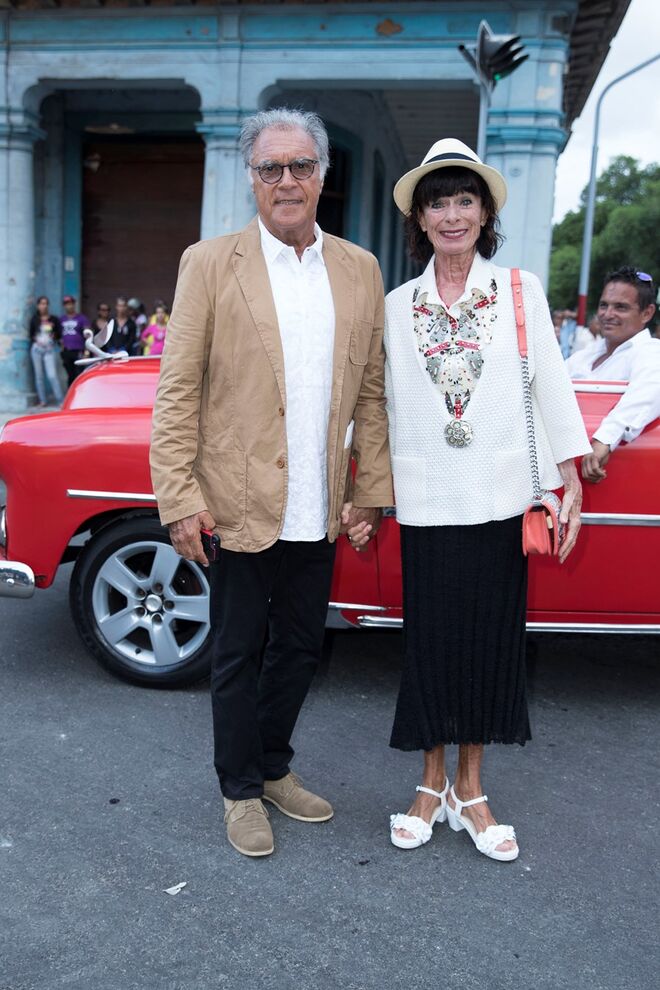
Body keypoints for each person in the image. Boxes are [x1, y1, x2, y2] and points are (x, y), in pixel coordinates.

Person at [150, 108, 393, 858]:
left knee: (299, 649)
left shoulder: (359, 268)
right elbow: (176, 390)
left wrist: (369, 490)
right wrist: (179, 495)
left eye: (301, 166)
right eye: (270, 168)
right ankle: (239, 790)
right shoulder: (209, 262)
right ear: (251, 179)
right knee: (236, 651)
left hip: (318, 504)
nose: (287, 181)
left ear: (323, 174)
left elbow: (372, 393)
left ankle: (274, 765)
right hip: (237, 499)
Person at [381, 139, 590, 862]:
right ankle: (428, 784)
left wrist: (572, 484)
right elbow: (376, 405)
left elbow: (551, 387)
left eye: (464, 199)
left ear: (484, 211)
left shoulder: (520, 293)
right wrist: (360, 487)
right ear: (420, 215)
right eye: (437, 200)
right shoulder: (395, 305)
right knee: (432, 648)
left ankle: (471, 790)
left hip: (503, 500)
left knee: (489, 650)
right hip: (426, 498)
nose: (451, 214)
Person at [565, 267, 659, 484]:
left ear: (647, 313)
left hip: (619, 476)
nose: (608, 314)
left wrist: (604, 439)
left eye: (621, 307)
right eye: (604, 305)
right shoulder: (583, 356)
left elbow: (647, 394)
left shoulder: (651, 352)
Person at [28, 295, 64, 407]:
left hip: (49, 349)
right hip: (37, 350)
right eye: (41, 304)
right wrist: (38, 340)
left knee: (52, 375)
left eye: (45, 304)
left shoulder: (54, 319)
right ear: (38, 306)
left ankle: (61, 401)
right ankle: (42, 401)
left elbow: (59, 334)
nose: (44, 306)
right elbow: (31, 335)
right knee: (39, 376)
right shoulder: (34, 319)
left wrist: (55, 337)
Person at [59, 295, 90, 385]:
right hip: (67, 351)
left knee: (79, 375)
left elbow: (88, 336)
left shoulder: (82, 318)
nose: (69, 306)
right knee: (70, 376)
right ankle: (71, 396)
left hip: (79, 351)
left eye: (70, 303)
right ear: (64, 306)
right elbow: (58, 335)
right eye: (66, 304)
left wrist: (87, 352)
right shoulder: (61, 320)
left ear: (74, 304)